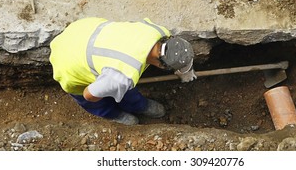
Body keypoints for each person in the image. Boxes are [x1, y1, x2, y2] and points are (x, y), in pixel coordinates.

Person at [49, 17, 197, 125]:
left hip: (84, 30)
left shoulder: (159, 32)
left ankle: (139, 106)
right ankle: (114, 114)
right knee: (100, 103)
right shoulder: (121, 76)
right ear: (161, 65)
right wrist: (106, 91)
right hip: (69, 63)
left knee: (126, 90)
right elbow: (89, 95)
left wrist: (186, 70)